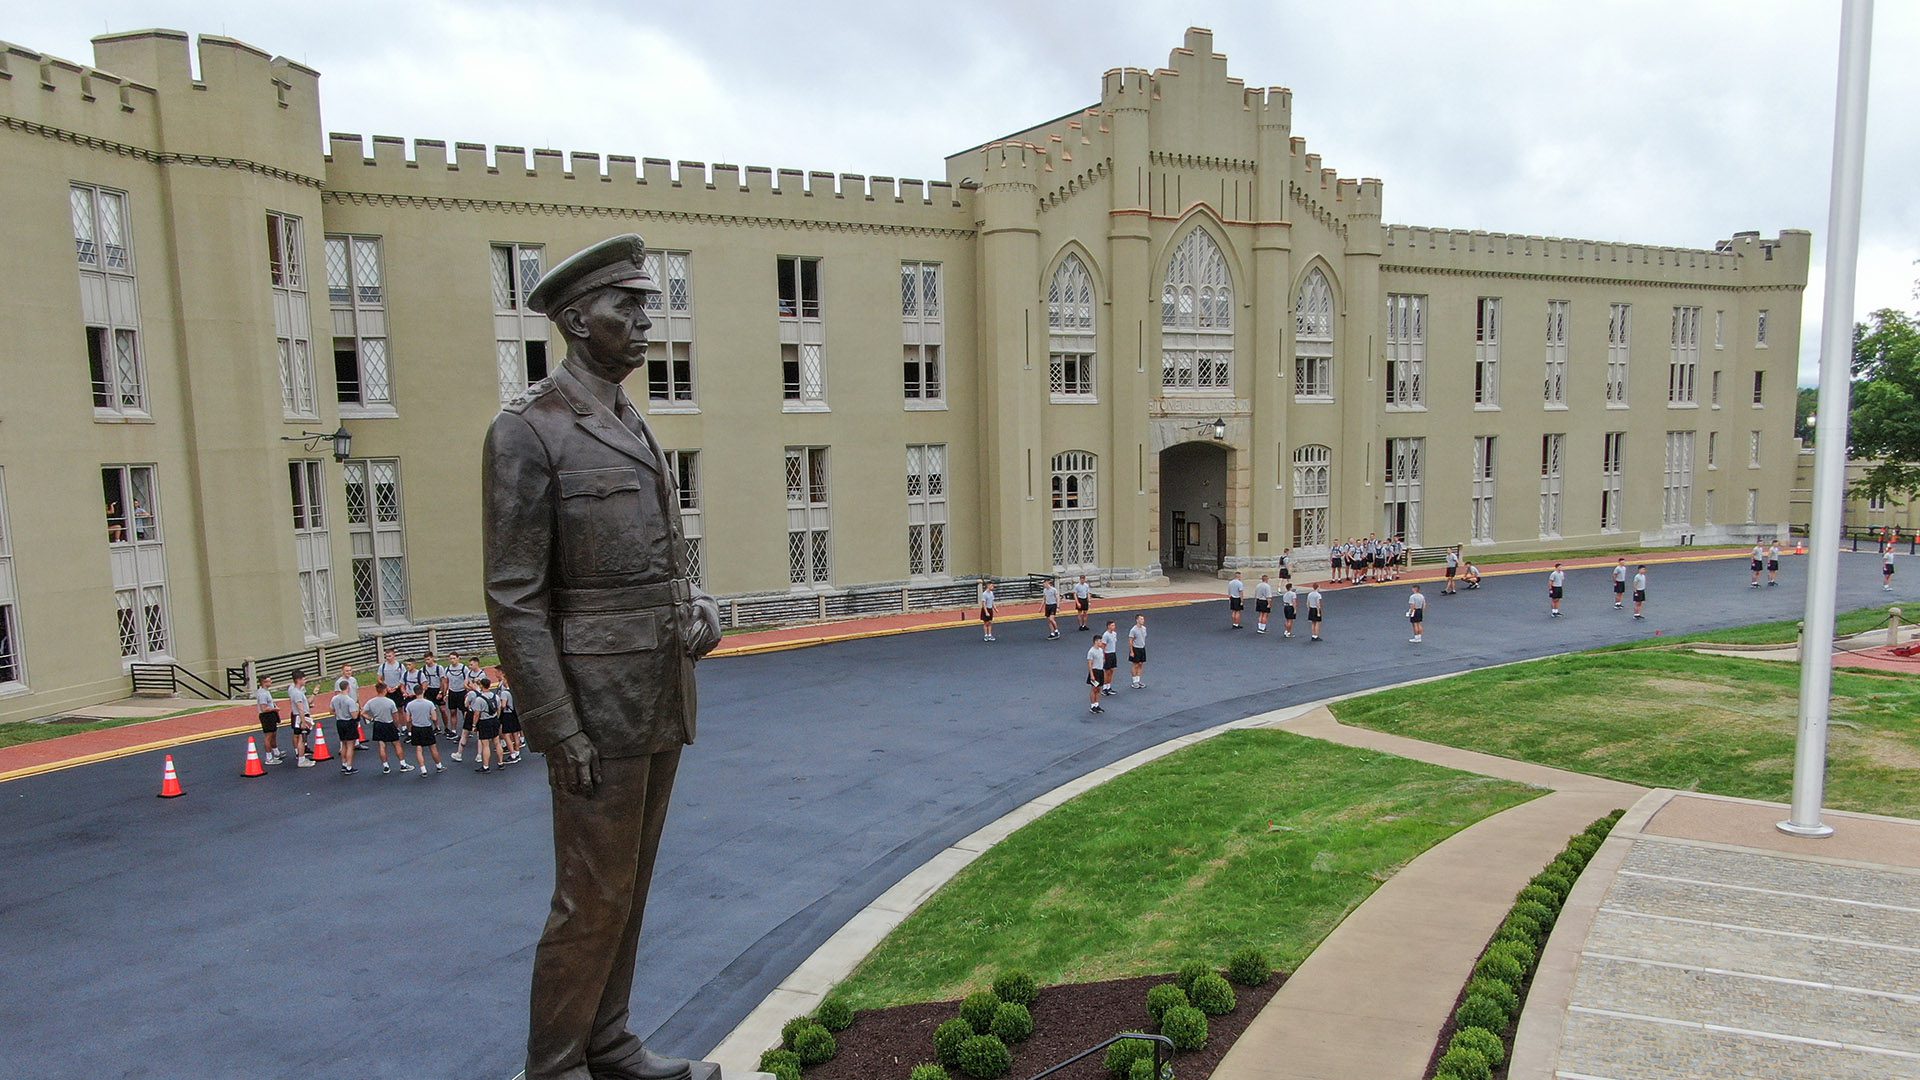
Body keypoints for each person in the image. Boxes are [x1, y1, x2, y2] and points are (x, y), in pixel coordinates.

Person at [481, 233, 725, 1080]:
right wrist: (556, 727)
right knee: (590, 898)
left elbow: (660, 558)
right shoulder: (528, 431)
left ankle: (607, 1041)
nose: (647, 322)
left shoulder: (631, 421)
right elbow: (515, 595)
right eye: (630, 306)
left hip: (657, 689)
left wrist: (698, 604)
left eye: (647, 305)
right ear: (578, 320)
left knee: (629, 889)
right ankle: (554, 1066)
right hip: (593, 708)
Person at [363, 681, 412, 775]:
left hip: (378, 724)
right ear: (384, 690)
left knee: (382, 745)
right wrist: (396, 726)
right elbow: (395, 716)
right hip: (389, 724)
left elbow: (363, 713)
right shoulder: (390, 702)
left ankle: (385, 766)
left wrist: (372, 719)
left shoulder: (371, 702)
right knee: (397, 744)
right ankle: (403, 765)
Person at [403, 682, 445, 775]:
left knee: (419, 749)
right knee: (433, 747)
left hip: (416, 728)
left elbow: (407, 719)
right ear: (422, 691)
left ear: (414, 692)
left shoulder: (409, 705)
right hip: (427, 727)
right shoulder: (429, 703)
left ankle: (423, 770)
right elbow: (434, 718)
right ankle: (439, 766)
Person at [466, 677, 504, 773]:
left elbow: (476, 714)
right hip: (494, 720)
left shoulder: (479, 699)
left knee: (485, 744)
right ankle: (500, 763)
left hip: (484, 722)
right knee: (497, 742)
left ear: (481, 686)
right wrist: (497, 718)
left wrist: (474, 725)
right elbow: (499, 709)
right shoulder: (496, 697)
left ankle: (486, 766)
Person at [329, 684, 360, 774]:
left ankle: (344, 764)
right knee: (350, 745)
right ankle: (349, 767)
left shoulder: (334, 698)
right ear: (348, 688)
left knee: (343, 744)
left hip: (339, 722)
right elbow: (354, 716)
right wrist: (357, 709)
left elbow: (331, 711)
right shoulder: (349, 700)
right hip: (349, 722)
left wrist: (339, 714)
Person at [334, 663, 366, 748]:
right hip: (345, 706)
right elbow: (337, 695)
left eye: (350, 670)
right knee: (347, 726)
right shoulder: (339, 682)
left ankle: (356, 743)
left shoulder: (353, 680)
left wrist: (359, 704)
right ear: (343, 672)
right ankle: (343, 746)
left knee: (356, 723)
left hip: (354, 705)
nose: (349, 672)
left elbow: (356, 693)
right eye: (347, 671)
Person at [253, 675, 283, 766]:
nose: (271, 682)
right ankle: (269, 758)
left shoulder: (266, 691)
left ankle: (276, 752)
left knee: (273, 734)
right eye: (269, 681)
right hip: (266, 716)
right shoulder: (262, 694)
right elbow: (264, 709)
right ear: (264, 682)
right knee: (268, 736)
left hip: (271, 715)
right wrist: (275, 709)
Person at [288, 670, 315, 767]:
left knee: (302, 738)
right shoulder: (297, 693)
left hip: (300, 716)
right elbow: (300, 708)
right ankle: (301, 759)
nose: (305, 681)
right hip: (300, 717)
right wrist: (303, 721)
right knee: (302, 738)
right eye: (304, 679)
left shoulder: (298, 692)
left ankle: (302, 757)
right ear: (298, 680)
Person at [498, 675, 524, 765]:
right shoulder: (514, 691)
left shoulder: (504, 693)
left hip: (507, 715)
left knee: (506, 735)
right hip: (514, 714)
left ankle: (512, 754)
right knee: (516, 734)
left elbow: (503, 705)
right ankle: (517, 752)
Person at [442, 652, 467, 742]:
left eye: (454, 658)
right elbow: (446, 682)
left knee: (465, 713)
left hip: (462, 692)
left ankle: (467, 731)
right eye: (451, 659)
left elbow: (467, 681)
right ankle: (453, 730)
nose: (452, 660)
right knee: (452, 712)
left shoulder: (464, 668)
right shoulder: (447, 669)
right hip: (452, 692)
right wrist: (445, 693)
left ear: (458, 658)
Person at [420, 653, 448, 737]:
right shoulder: (423, 669)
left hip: (437, 689)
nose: (427, 661)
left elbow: (443, 681)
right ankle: (437, 727)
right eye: (425, 660)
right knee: (432, 710)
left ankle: (446, 727)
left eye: (428, 659)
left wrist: (441, 692)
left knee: (442, 709)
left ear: (432, 658)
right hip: (429, 690)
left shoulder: (439, 668)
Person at [1085, 636, 1106, 714]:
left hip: (1100, 671)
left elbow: (1103, 659)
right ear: (1096, 641)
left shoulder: (1100, 650)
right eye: (1100, 641)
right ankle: (1092, 706)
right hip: (1095, 671)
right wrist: (1092, 675)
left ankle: (1097, 705)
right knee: (1094, 689)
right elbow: (1090, 664)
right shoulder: (1091, 652)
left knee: (1099, 689)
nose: (1101, 643)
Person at [1128, 614, 1148, 688]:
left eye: (1143, 619)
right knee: (1135, 665)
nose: (1143, 620)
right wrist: (1132, 651)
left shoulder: (1144, 628)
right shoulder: (1133, 630)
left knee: (1140, 664)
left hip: (1142, 648)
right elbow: (1130, 641)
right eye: (1141, 619)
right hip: (1135, 648)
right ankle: (1134, 682)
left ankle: (1138, 680)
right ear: (1137, 620)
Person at [1101, 620, 1119, 695]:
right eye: (1112, 625)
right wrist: (1103, 657)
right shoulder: (1105, 635)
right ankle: (1104, 688)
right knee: (1107, 671)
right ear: (1108, 626)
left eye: (1114, 625)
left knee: (1112, 670)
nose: (1114, 627)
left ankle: (1109, 687)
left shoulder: (1114, 634)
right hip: (1107, 654)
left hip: (1113, 654)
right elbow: (1103, 646)